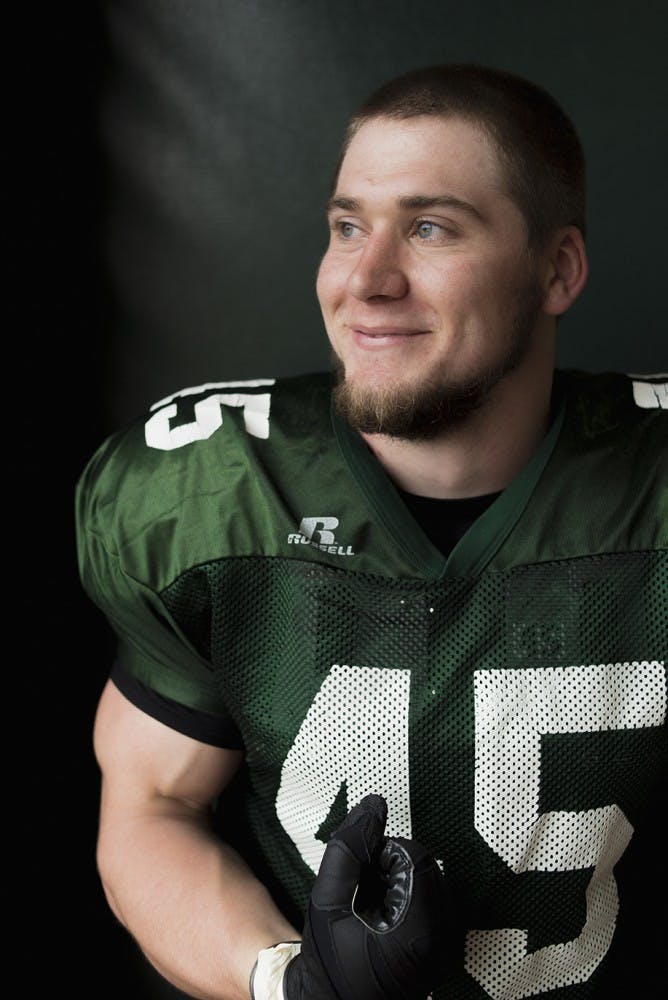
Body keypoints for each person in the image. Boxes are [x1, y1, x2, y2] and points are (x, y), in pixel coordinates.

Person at [75, 63, 667, 1000]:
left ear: (557, 269)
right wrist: (288, 981)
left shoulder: (651, 490)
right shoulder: (214, 492)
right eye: (348, 226)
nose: (365, 278)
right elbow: (153, 805)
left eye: (430, 227)